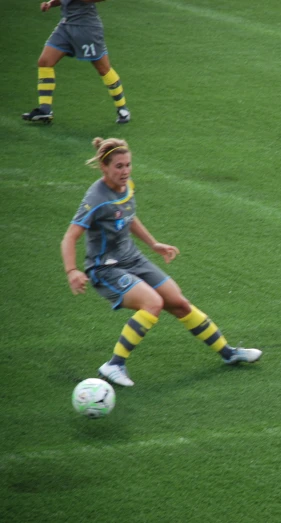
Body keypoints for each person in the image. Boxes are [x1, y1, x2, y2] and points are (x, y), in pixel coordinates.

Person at [61, 137, 261, 387]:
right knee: (153, 303)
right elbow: (70, 237)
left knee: (179, 303)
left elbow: (128, 216)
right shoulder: (96, 198)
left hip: (132, 258)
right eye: (119, 167)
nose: (125, 172)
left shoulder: (127, 187)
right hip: (105, 268)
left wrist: (153, 243)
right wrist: (72, 271)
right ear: (104, 167)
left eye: (128, 165)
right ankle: (114, 364)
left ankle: (228, 353)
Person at [22, 0, 130, 124]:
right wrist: (51, 3)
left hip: (87, 28)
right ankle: (45, 110)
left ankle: (122, 109)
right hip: (66, 26)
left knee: (103, 69)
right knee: (45, 62)